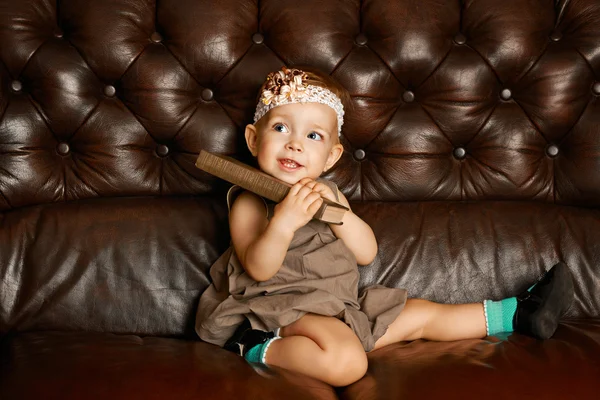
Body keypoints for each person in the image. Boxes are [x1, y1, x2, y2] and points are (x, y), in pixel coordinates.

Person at [195, 66, 575, 387]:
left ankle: (518, 313)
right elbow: (258, 267)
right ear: (252, 138)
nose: (295, 145)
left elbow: (366, 252)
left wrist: (341, 214)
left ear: (331, 156)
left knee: (420, 315)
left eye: (312, 136)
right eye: (281, 128)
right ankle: (255, 345)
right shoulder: (248, 200)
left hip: (339, 307)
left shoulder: (330, 193)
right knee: (348, 363)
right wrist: (284, 222)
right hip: (280, 311)